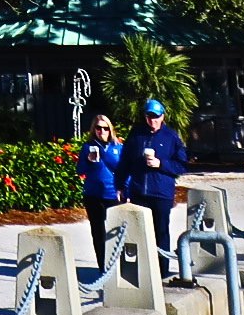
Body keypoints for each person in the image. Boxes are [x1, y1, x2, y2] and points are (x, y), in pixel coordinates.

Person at [120, 97, 190, 265]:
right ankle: (144, 270)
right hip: (139, 192)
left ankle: (163, 270)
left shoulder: (171, 137)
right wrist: (120, 185)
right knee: (140, 233)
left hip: (161, 193)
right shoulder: (136, 134)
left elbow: (181, 165)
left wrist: (161, 164)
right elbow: (125, 161)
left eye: (156, 117)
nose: (153, 121)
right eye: (149, 116)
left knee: (161, 232)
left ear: (163, 117)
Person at [78, 112, 125, 265]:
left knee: (116, 232)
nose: (102, 131)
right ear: (94, 129)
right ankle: (102, 265)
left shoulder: (118, 146)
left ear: (110, 129)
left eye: (105, 128)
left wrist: (125, 190)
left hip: (113, 194)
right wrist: (88, 160)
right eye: (98, 128)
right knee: (98, 233)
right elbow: (80, 170)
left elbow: (126, 171)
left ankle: (118, 264)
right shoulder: (88, 147)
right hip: (93, 194)